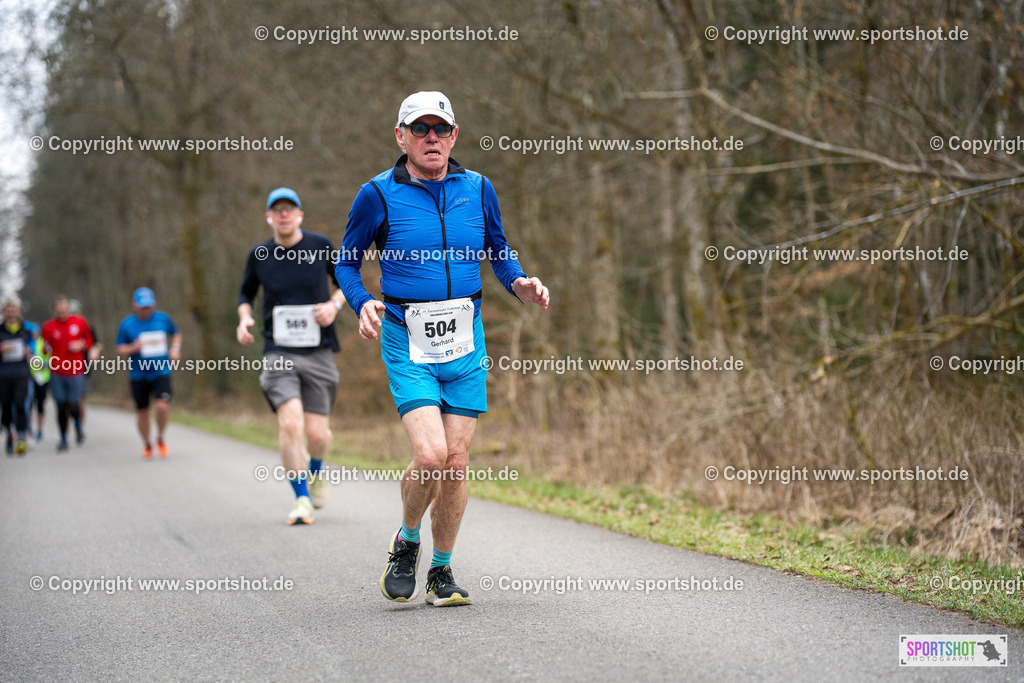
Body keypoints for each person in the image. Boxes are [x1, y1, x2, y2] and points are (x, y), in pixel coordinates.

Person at [336, 91, 549, 606]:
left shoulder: (478, 188)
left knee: (456, 462)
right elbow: (345, 261)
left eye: (441, 129)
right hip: (407, 337)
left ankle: (442, 571)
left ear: (454, 136)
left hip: (466, 337)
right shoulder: (377, 195)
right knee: (430, 455)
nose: (431, 138)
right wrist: (362, 301)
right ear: (401, 135)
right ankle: (408, 541)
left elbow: (498, 248)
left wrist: (517, 281)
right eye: (420, 128)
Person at [237, 187, 345, 525]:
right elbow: (245, 294)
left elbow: (346, 282)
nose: (283, 214)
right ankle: (300, 499)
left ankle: (315, 472)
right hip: (278, 352)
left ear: (300, 215)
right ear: (269, 216)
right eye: (277, 209)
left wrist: (333, 305)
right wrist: (244, 319)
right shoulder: (259, 255)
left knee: (317, 435)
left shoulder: (320, 245)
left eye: (290, 208)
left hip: (319, 351)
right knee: (291, 423)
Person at [116, 288, 181, 459]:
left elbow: (176, 334)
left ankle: (160, 437)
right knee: (143, 413)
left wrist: (175, 349)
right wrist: (133, 347)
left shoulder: (163, 319)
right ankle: (147, 444)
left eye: (149, 306)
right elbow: (120, 348)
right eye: (143, 306)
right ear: (134, 306)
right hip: (138, 375)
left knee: (162, 405)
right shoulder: (127, 324)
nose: (147, 310)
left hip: (161, 371)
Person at [41, 296, 94, 451]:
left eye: (65, 310)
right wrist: (46, 348)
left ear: (68, 309)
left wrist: (81, 345)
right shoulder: (48, 326)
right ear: (55, 311)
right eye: (59, 311)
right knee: (60, 405)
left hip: (76, 369)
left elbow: (89, 341)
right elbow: (44, 348)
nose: (62, 313)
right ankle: (63, 438)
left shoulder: (80, 322)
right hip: (57, 371)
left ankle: (78, 426)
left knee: (74, 404)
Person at [0, 298, 33, 455]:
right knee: (6, 407)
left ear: (18, 310)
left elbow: (35, 347)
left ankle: (21, 437)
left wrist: (29, 353)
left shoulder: (26, 330)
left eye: (14, 308)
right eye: (8, 308)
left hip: (21, 373)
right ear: (3, 311)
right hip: (3, 374)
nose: (11, 311)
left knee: (20, 405)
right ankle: (8, 434)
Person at [28, 327, 50, 443]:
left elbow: (50, 359)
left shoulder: (44, 343)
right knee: (29, 405)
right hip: (29, 378)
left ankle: (40, 430)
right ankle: (29, 428)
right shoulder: (26, 342)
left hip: (43, 378)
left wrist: (41, 365)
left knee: (40, 406)